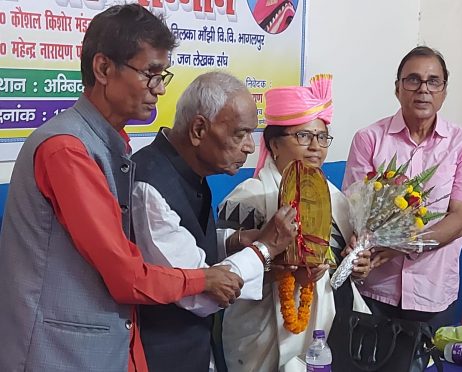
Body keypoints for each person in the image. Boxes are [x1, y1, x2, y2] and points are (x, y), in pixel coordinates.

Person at [0, 5, 244, 372]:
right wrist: (203, 278)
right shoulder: (67, 149)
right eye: (150, 74)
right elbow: (124, 275)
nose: (160, 89)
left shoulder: (111, 145)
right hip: (58, 353)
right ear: (103, 69)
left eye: (163, 75)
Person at [131, 71, 298, 372]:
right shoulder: (150, 186)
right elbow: (198, 293)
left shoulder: (189, 171)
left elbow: (183, 243)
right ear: (198, 129)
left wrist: (232, 242)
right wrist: (264, 248)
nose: (249, 146)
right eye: (240, 133)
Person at [217, 74, 371, 372]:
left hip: (329, 333)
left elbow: (340, 268)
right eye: (303, 136)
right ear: (274, 144)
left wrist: (359, 265)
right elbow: (224, 275)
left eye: (322, 137)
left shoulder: (335, 198)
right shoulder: (248, 198)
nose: (316, 147)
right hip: (264, 335)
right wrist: (277, 270)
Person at [342, 46, 462, 331]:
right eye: (412, 80)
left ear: (444, 91)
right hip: (374, 289)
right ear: (397, 89)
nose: (423, 89)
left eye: (433, 81)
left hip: (431, 293)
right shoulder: (369, 139)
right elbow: (354, 209)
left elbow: (459, 222)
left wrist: (400, 247)